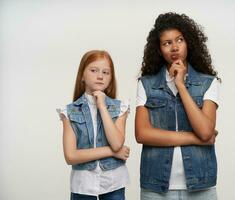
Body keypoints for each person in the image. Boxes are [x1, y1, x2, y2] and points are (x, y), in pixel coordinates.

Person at [135, 12, 220, 200]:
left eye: (179, 40)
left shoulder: (208, 83)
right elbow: (142, 134)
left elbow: (206, 131)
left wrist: (181, 85)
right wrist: (195, 138)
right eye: (167, 43)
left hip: (200, 185)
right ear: (159, 49)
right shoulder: (146, 84)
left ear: (188, 42)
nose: (174, 47)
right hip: (156, 187)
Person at [57, 50, 130, 200]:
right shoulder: (69, 112)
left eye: (106, 72)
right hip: (82, 186)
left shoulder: (120, 108)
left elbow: (117, 143)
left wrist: (102, 106)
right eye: (93, 70)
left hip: (113, 184)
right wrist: (112, 152)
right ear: (82, 76)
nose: (100, 76)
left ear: (111, 78)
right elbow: (71, 156)